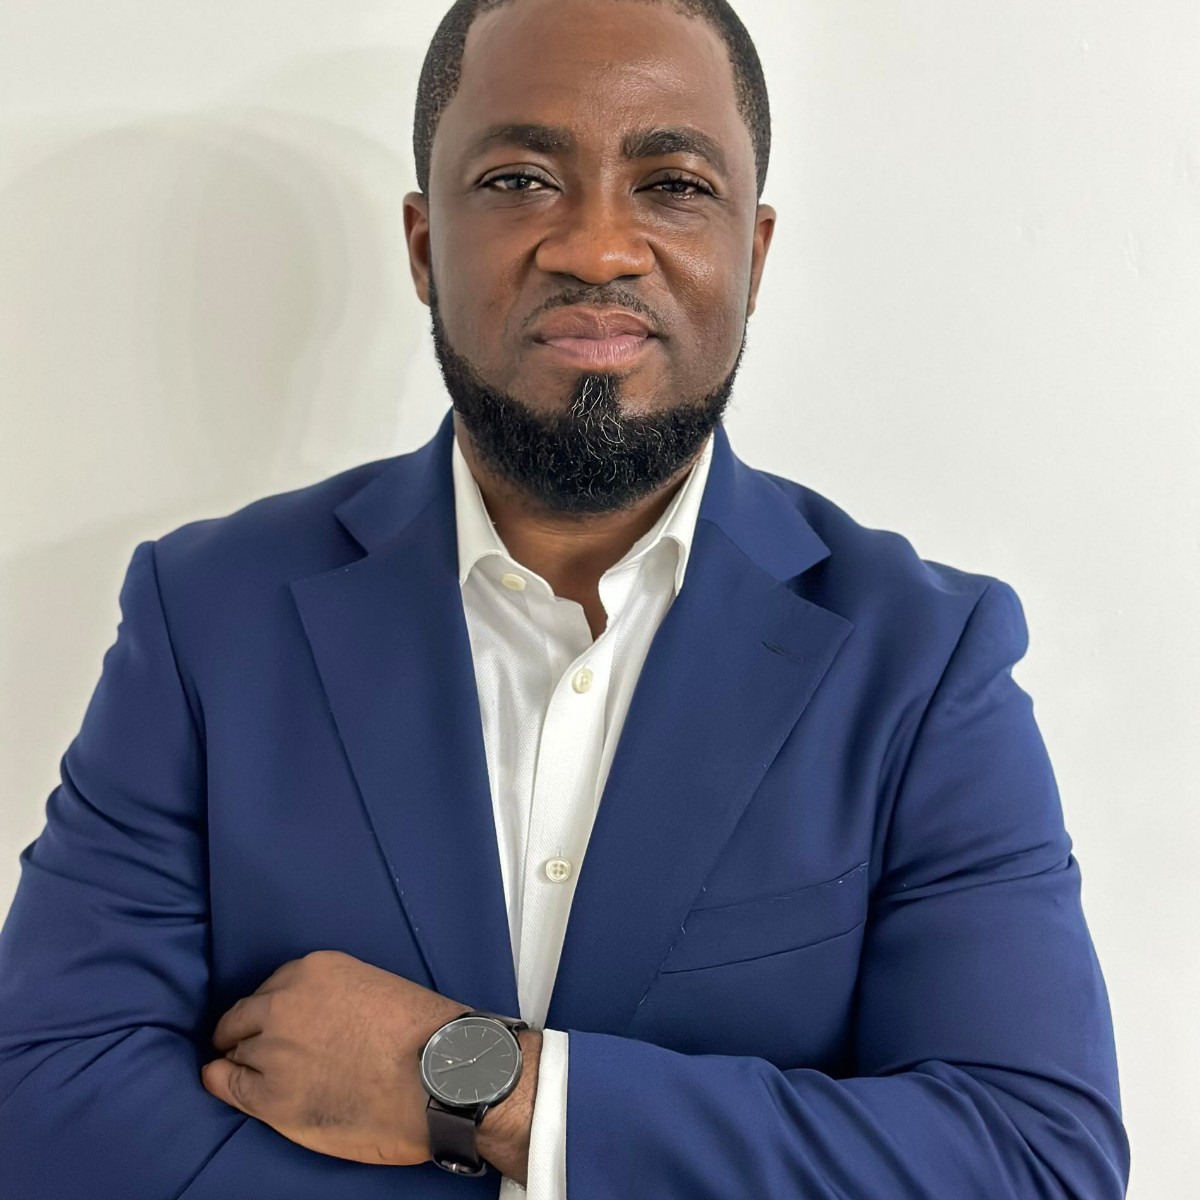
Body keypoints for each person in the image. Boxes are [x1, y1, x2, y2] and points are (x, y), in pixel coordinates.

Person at [0, 0, 1130, 1196]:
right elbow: (43, 1099)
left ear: (754, 254)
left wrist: (484, 1090)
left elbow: (1032, 1158)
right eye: (520, 180)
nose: (596, 249)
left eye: (674, 186)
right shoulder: (209, 614)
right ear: (425, 246)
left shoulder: (923, 658)